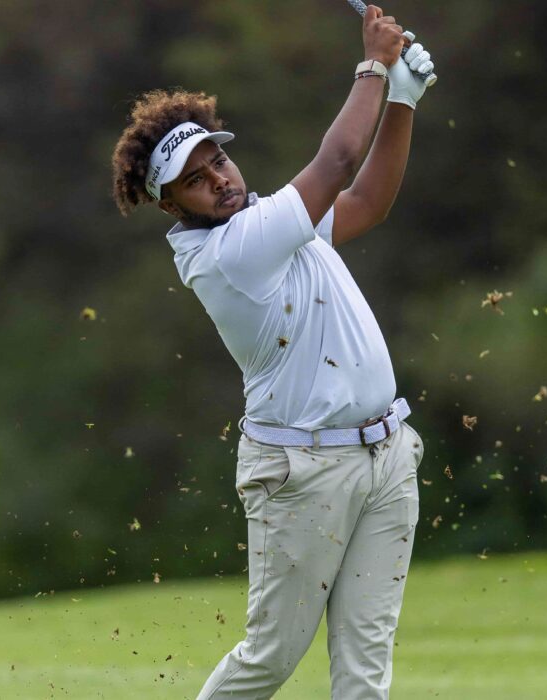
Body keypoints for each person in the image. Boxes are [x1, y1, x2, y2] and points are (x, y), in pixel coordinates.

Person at [111, 5, 435, 698]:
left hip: (385, 456)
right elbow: (338, 161)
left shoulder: (268, 219)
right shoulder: (230, 252)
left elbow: (367, 202)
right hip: (302, 473)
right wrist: (374, 66)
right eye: (197, 180)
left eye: (218, 160)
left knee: (365, 666)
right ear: (172, 205)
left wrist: (401, 102)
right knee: (271, 657)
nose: (220, 179)